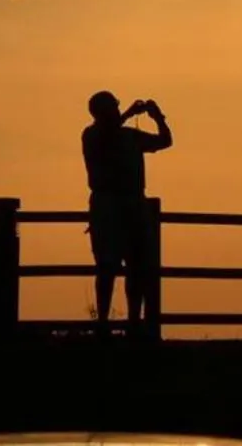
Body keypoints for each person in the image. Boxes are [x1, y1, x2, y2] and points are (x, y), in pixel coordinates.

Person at [81, 91, 172, 336]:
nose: (115, 112)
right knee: (107, 268)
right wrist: (131, 114)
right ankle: (102, 322)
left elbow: (165, 141)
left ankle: (133, 321)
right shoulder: (92, 136)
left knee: (137, 268)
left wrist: (158, 117)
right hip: (108, 207)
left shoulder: (129, 137)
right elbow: (107, 138)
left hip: (132, 206)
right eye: (112, 108)